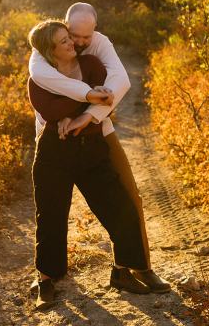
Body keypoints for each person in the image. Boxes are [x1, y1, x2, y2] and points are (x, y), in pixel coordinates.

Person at [27, 19, 152, 308]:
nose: (72, 42)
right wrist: (77, 105)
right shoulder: (40, 78)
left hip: (91, 147)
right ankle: (46, 279)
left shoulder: (93, 63)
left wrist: (75, 115)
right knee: (51, 216)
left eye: (68, 37)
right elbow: (48, 108)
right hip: (53, 153)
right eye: (63, 41)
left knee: (120, 206)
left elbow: (108, 95)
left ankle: (122, 271)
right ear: (50, 51)